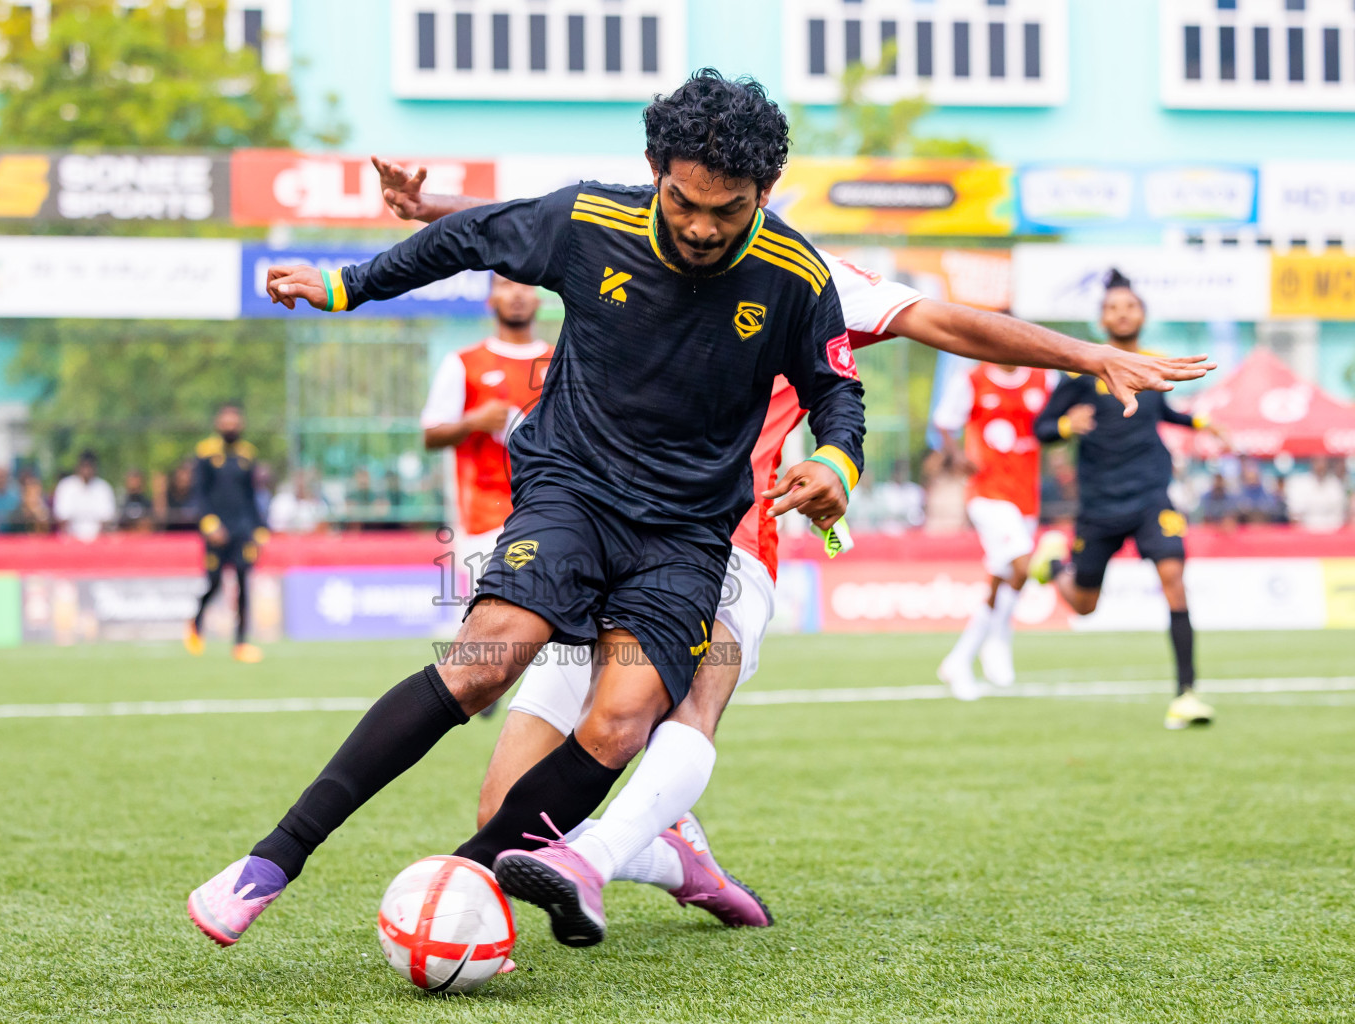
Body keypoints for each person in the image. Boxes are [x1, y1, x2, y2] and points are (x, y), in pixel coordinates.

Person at [187, 72, 1214, 952]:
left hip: (705, 535)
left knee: (630, 720)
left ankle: (506, 877)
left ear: (766, 192)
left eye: (728, 208)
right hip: (573, 495)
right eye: (684, 202)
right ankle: (278, 859)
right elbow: (497, 231)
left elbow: (872, 372)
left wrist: (850, 460)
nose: (702, 227)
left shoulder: (806, 275)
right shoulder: (601, 219)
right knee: (486, 663)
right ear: (656, 175)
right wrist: (350, 278)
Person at [1032, 270, 1226, 731]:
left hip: (1150, 495)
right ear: (1102, 320)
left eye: (1130, 306)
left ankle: (1186, 696)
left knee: (1174, 578)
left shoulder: (1154, 364)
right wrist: (1066, 426)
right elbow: (1041, 428)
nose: (1122, 314)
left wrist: (1201, 424)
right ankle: (1056, 566)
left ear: (1142, 315)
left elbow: (1164, 410)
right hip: (1099, 502)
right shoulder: (1080, 371)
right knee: (1084, 605)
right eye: (1113, 308)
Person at [932, 362, 1052, 699]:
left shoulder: (1045, 378)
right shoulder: (973, 379)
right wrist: (956, 456)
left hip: (1026, 495)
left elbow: (1056, 422)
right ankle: (998, 641)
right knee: (1022, 565)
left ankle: (959, 659)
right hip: (987, 493)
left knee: (1003, 577)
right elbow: (944, 422)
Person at [420, 273, 554, 576]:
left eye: (524, 284)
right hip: (486, 520)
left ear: (538, 298)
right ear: (490, 299)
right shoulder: (463, 362)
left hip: (550, 515)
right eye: (506, 285)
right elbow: (431, 434)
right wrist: (473, 422)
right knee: (493, 603)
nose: (516, 293)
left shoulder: (559, 363)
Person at [184, 403, 270, 664]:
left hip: (242, 529)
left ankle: (241, 642)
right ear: (218, 424)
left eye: (235, 422)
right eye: (226, 421)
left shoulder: (247, 454)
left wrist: (259, 529)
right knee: (214, 582)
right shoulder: (205, 452)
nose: (231, 426)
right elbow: (199, 493)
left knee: (243, 582)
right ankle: (196, 624)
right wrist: (209, 524)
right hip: (216, 529)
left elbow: (251, 495)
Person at [52, 451, 117, 542]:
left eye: (90, 466)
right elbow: (61, 517)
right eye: (84, 466)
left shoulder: (103, 488)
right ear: (77, 467)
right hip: (69, 540)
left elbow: (107, 519)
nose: (87, 470)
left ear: (95, 468)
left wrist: (95, 541)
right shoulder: (66, 486)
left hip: (99, 541)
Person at [1285, 456, 1348, 532]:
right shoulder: (1299, 483)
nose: (1321, 465)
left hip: (1332, 531)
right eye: (1318, 461)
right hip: (1305, 532)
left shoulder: (1335, 484)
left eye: (1323, 461)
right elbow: (1294, 515)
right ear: (1312, 462)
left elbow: (1341, 514)